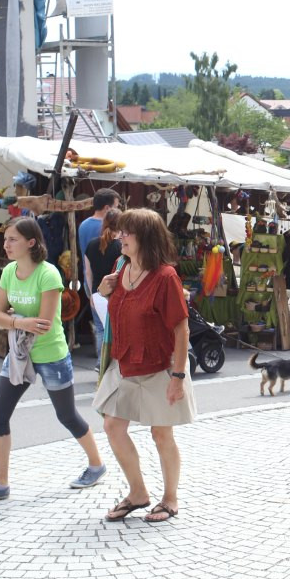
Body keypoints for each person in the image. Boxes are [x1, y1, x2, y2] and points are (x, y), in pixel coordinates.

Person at [0, 217, 106, 502]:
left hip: (51, 354)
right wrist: (20, 322)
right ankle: (0, 483)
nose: (6, 244)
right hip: (19, 354)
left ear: (31, 242)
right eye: (5, 239)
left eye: (12, 239)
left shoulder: (48, 274)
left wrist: (15, 320)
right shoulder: (9, 272)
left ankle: (96, 464)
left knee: (66, 415)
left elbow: (42, 324)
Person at [93, 209, 194, 523]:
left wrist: (177, 377)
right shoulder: (120, 266)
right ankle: (138, 493)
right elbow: (112, 304)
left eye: (127, 233)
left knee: (161, 435)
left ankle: (170, 499)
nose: (120, 237)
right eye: (120, 231)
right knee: (112, 426)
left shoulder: (165, 277)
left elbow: (181, 329)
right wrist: (101, 290)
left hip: (159, 367)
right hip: (124, 363)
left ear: (145, 238)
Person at [79, 189, 122, 364]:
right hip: (114, 291)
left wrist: (90, 293)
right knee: (116, 329)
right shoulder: (120, 246)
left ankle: (101, 363)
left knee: (100, 329)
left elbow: (87, 270)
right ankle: (113, 365)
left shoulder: (83, 227)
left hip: (95, 290)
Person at [84, 208, 122, 337]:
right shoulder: (122, 246)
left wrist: (91, 294)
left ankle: (101, 358)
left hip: (97, 294)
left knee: (101, 332)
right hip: (117, 295)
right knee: (118, 334)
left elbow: (88, 273)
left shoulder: (91, 245)